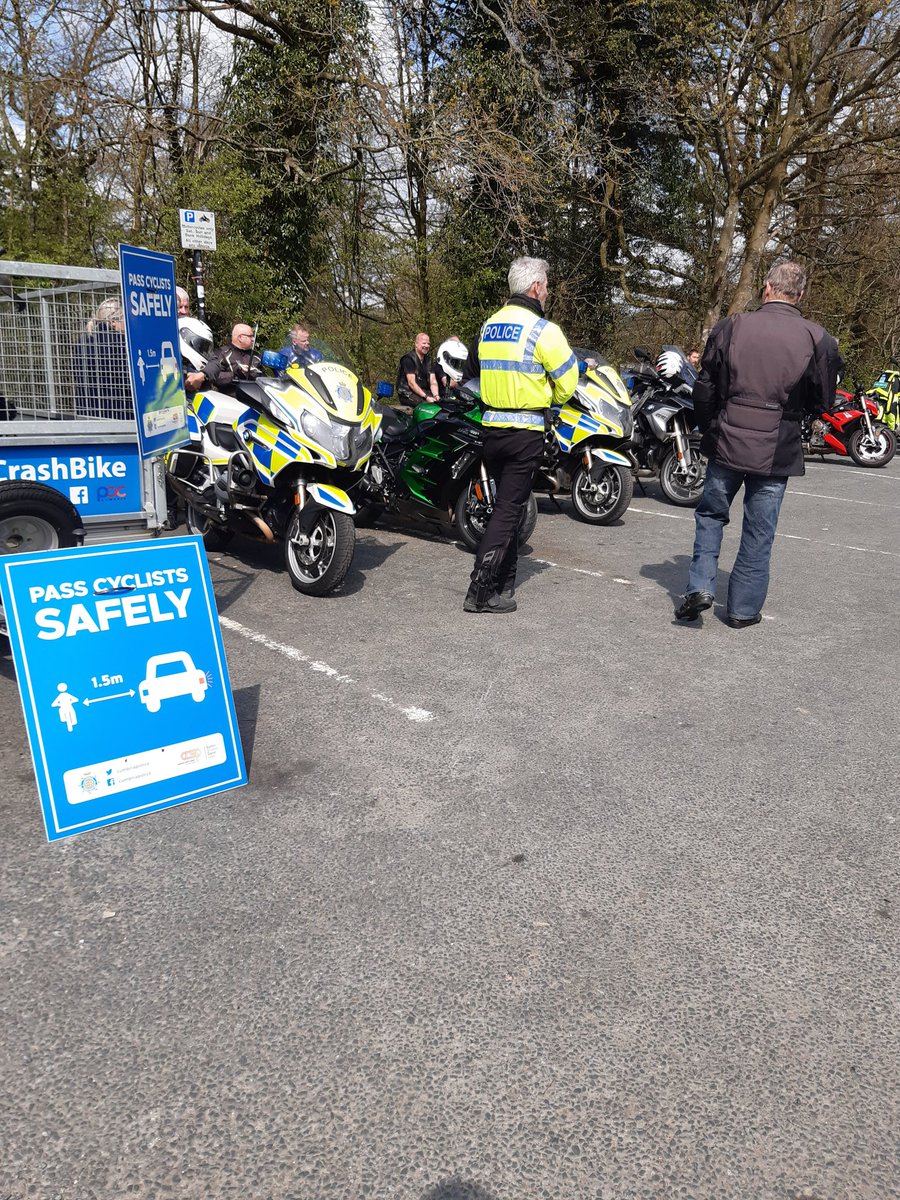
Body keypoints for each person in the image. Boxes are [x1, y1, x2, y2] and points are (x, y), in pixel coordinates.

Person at [675, 261, 841, 627]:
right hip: (777, 446)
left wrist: (710, 427)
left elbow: (705, 387)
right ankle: (742, 610)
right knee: (759, 529)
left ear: (767, 288)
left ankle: (701, 585)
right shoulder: (819, 339)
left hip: (728, 437)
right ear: (801, 295)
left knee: (711, 515)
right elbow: (824, 398)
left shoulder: (731, 326)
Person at [464, 256, 579, 614]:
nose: (547, 290)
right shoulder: (543, 330)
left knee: (508, 508)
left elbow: (471, 372)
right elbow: (568, 382)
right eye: (545, 284)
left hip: (492, 431)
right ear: (535, 288)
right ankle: (479, 590)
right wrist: (550, 403)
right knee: (508, 510)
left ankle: (505, 580)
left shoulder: (488, 326)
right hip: (525, 430)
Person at [72, 299, 133, 420]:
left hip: (86, 412)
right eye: (125, 318)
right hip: (119, 413)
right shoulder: (120, 343)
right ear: (114, 321)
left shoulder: (82, 340)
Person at [201, 324, 261, 394]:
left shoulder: (256, 357)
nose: (253, 339)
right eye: (250, 336)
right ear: (240, 337)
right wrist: (237, 374)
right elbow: (214, 376)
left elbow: (264, 378)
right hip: (228, 397)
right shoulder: (222, 353)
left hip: (253, 397)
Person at [397, 333, 440, 406]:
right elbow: (411, 383)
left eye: (428, 344)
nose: (426, 346)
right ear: (416, 344)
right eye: (424, 343)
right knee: (426, 406)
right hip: (407, 393)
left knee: (440, 405)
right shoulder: (408, 359)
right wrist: (426, 397)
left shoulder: (429, 361)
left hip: (424, 392)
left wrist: (436, 395)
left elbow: (433, 381)